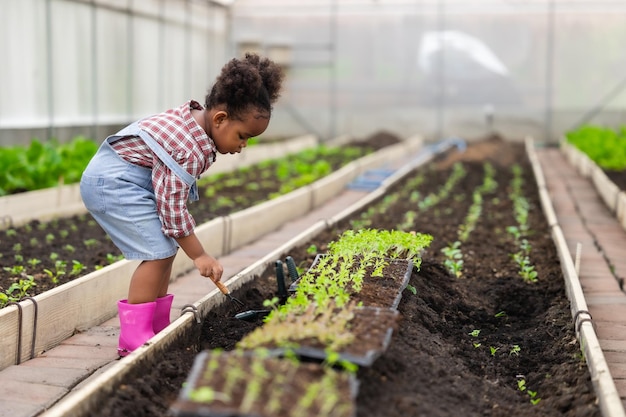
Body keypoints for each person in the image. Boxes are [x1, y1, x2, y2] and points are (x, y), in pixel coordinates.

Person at [80, 53, 284, 356]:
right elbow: (172, 209)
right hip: (113, 184)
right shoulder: (187, 146)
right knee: (158, 252)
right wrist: (200, 255)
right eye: (243, 137)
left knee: (165, 250)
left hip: (126, 181)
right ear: (220, 119)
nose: (243, 146)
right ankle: (134, 339)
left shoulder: (197, 126)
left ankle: (155, 328)